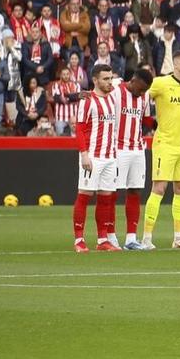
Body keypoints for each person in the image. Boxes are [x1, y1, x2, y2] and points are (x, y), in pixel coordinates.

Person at [139, 48, 180, 249]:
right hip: (164, 144)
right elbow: (139, 96)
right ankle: (146, 238)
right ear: (175, 64)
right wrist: (149, 122)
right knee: (159, 188)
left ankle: (178, 238)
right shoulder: (160, 83)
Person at [70, 63, 123, 253]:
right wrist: (84, 154)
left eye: (111, 78)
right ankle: (79, 240)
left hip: (110, 156)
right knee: (84, 195)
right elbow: (80, 128)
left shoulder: (111, 99)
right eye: (106, 79)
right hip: (92, 156)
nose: (110, 82)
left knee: (106, 198)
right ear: (95, 80)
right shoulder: (87, 100)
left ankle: (102, 240)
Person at [115, 67, 152, 249]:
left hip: (138, 149)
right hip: (117, 149)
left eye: (145, 90)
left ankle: (131, 238)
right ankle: (110, 236)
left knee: (135, 191)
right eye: (141, 88)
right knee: (112, 193)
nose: (142, 93)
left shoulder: (144, 97)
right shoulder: (115, 90)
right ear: (134, 80)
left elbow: (145, 121)